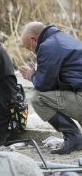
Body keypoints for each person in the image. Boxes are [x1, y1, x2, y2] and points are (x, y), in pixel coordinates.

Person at [19, 21, 82, 154]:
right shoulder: (63, 39)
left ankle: (73, 137)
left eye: (29, 48)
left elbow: (44, 86)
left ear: (33, 39)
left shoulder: (48, 46)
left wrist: (32, 76)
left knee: (38, 99)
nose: (31, 51)